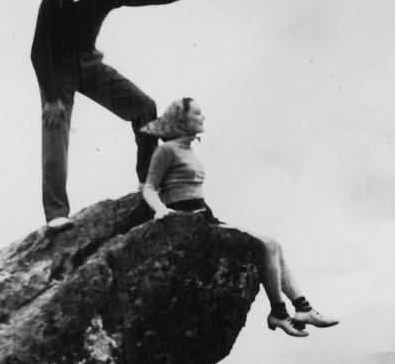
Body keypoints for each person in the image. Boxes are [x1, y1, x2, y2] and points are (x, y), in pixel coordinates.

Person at [31, 0, 221, 230]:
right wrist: (52, 98)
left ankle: (147, 184)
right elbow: (38, 53)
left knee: (145, 107)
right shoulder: (55, 1)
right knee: (55, 129)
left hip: (89, 64)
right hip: (57, 70)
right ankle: (56, 213)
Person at [139, 97, 338, 338]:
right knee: (267, 245)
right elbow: (149, 187)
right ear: (182, 119)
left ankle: (303, 309)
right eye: (197, 113)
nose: (203, 117)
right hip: (186, 219)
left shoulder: (187, 148)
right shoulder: (166, 150)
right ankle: (279, 313)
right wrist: (161, 210)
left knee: (274, 245)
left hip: (203, 215)